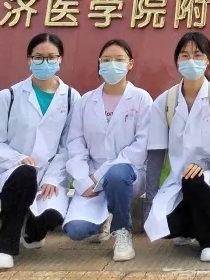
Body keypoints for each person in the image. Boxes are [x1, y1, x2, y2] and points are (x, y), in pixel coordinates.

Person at [0, 33, 79, 271]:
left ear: (60, 59)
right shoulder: (9, 96)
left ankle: (33, 232)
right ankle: (5, 246)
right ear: (29, 59)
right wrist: (19, 159)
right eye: (38, 57)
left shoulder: (71, 98)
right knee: (25, 174)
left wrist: (52, 178)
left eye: (51, 57)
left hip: (49, 176)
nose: (45, 62)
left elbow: (69, 145)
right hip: (11, 175)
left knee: (52, 215)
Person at [144, 32, 210, 263]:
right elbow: (156, 153)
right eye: (185, 55)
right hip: (179, 178)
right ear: (176, 60)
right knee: (160, 225)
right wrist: (150, 200)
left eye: (198, 55)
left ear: (209, 59)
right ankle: (191, 226)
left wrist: (204, 163)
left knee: (195, 179)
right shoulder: (165, 102)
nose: (191, 61)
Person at [63, 39, 152, 263]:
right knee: (76, 230)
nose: (113, 65)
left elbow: (141, 146)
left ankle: (122, 231)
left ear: (130, 64)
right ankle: (104, 220)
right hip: (91, 176)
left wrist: (101, 174)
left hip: (129, 173)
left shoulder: (141, 99)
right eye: (107, 60)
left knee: (116, 174)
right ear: (99, 64)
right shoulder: (85, 101)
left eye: (119, 59)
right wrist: (82, 179)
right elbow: (75, 142)